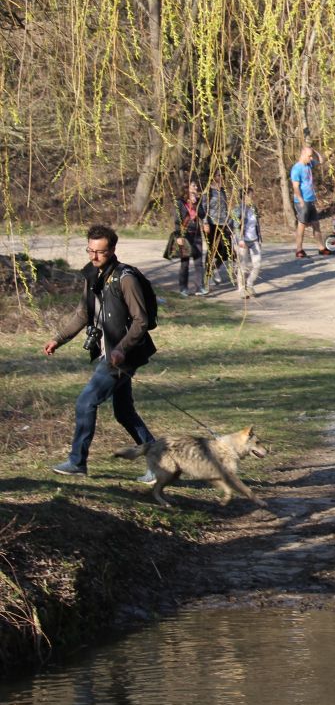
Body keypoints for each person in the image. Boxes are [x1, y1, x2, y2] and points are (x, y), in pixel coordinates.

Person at [43, 225, 157, 481]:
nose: (94, 257)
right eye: (90, 251)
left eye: (100, 252)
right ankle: (158, 459)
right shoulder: (93, 275)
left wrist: (120, 350)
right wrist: (58, 339)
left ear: (113, 250)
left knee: (86, 401)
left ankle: (77, 461)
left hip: (122, 356)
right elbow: (83, 313)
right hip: (111, 354)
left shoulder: (125, 278)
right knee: (124, 412)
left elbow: (141, 321)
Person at [290, 145, 332, 258]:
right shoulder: (296, 169)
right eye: (309, 156)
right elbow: (295, 187)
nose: (310, 158)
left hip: (311, 200)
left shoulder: (309, 164)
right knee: (302, 225)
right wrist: (300, 200)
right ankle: (299, 250)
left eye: (311, 156)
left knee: (316, 224)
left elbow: (322, 161)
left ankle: (321, 248)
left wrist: (315, 151)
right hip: (302, 201)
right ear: (303, 155)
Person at [202, 170, 235, 289]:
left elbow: (227, 208)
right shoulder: (208, 192)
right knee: (212, 249)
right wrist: (205, 222)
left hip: (223, 224)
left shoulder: (223, 191)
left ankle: (216, 267)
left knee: (226, 250)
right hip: (212, 224)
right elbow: (204, 208)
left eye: (222, 175)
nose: (221, 177)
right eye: (218, 175)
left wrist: (230, 223)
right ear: (213, 177)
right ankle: (208, 274)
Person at [173, 180, 205, 296]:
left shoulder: (198, 200)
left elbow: (203, 214)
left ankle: (199, 287)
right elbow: (177, 220)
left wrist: (196, 204)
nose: (196, 187)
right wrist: (178, 236)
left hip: (196, 234)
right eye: (194, 185)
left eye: (196, 185)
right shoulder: (180, 202)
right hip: (185, 234)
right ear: (187, 187)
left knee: (198, 262)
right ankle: (183, 288)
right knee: (185, 262)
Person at [234, 185, 263, 298]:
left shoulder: (254, 208)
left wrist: (259, 238)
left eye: (252, 195)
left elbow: (257, 224)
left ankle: (250, 284)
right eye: (249, 195)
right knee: (243, 265)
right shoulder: (237, 209)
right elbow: (235, 226)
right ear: (244, 196)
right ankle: (241, 289)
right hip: (243, 241)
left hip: (254, 239)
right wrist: (240, 240)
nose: (251, 197)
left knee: (258, 263)